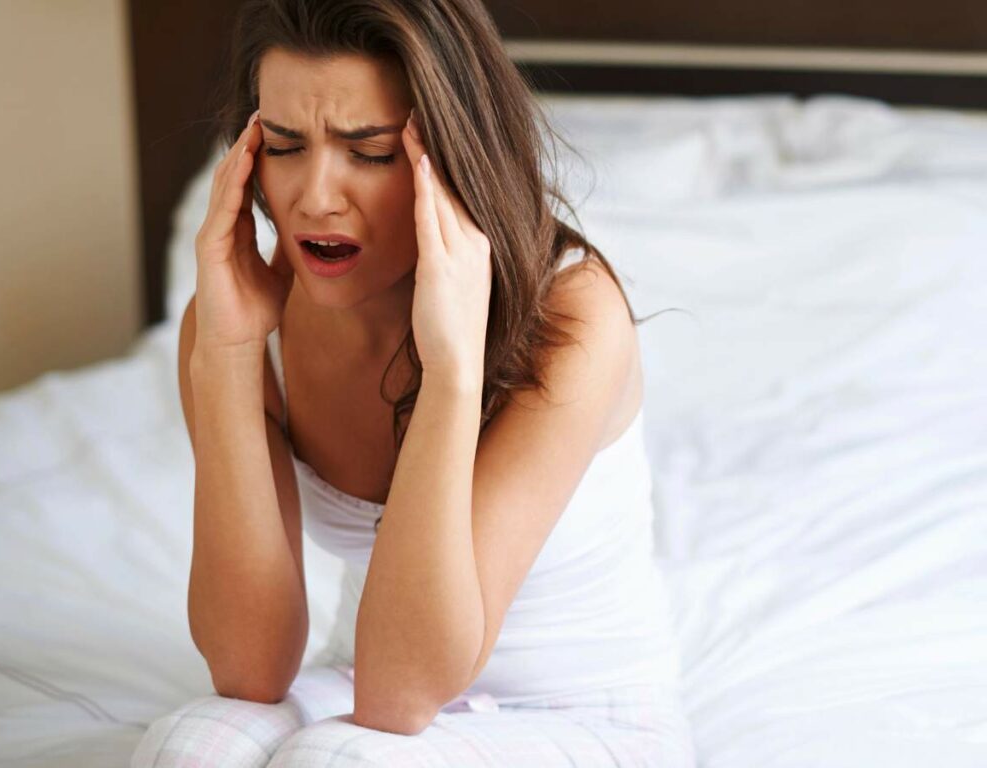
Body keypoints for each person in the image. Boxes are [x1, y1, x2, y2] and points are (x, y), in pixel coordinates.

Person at [131, 0, 696, 765]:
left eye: (368, 152)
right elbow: (250, 669)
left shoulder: (573, 315)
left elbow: (402, 694)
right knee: (189, 750)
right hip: (366, 675)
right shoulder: (239, 320)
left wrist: (454, 369)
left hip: (579, 706)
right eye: (287, 146)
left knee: (336, 762)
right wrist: (228, 355)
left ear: (456, 155)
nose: (315, 196)